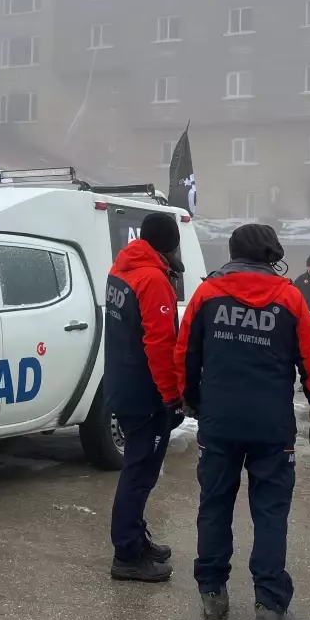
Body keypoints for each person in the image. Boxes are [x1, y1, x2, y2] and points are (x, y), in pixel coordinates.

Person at [178, 223, 310, 620]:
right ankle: (269, 607)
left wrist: (190, 399)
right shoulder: (289, 298)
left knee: (213, 505)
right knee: (269, 513)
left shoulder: (208, 295)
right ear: (271, 254)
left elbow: (186, 353)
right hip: (271, 426)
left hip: (219, 423)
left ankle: (212, 593)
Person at [104, 212, 184, 582]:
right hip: (146, 392)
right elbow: (160, 342)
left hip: (122, 381)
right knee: (140, 472)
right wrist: (172, 396)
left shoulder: (121, 269)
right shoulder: (152, 279)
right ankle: (127, 554)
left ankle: (135, 537)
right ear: (168, 244)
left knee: (138, 470)